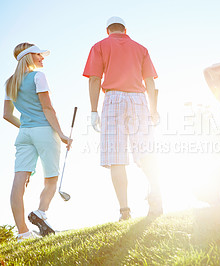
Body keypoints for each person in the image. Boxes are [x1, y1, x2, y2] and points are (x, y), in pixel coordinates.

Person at [83, 16, 162, 220]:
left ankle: (124, 211)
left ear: (108, 30)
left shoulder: (99, 46)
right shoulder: (140, 48)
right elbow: (150, 82)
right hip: (139, 99)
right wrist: (154, 109)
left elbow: (94, 79)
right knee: (145, 152)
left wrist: (93, 111)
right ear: (125, 30)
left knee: (116, 158)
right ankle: (156, 192)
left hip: (114, 99)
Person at [3, 43, 72, 242]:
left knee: (19, 182)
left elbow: (7, 115)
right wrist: (61, 134)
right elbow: (48, 108)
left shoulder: (9, 83)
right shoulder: (38, 77)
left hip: (24, 134)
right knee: (51, 178)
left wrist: (27, 126)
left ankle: (23, 233)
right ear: (28, 56)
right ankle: (41, 213)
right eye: (38, 54)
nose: (42, 57)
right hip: (44, 130)